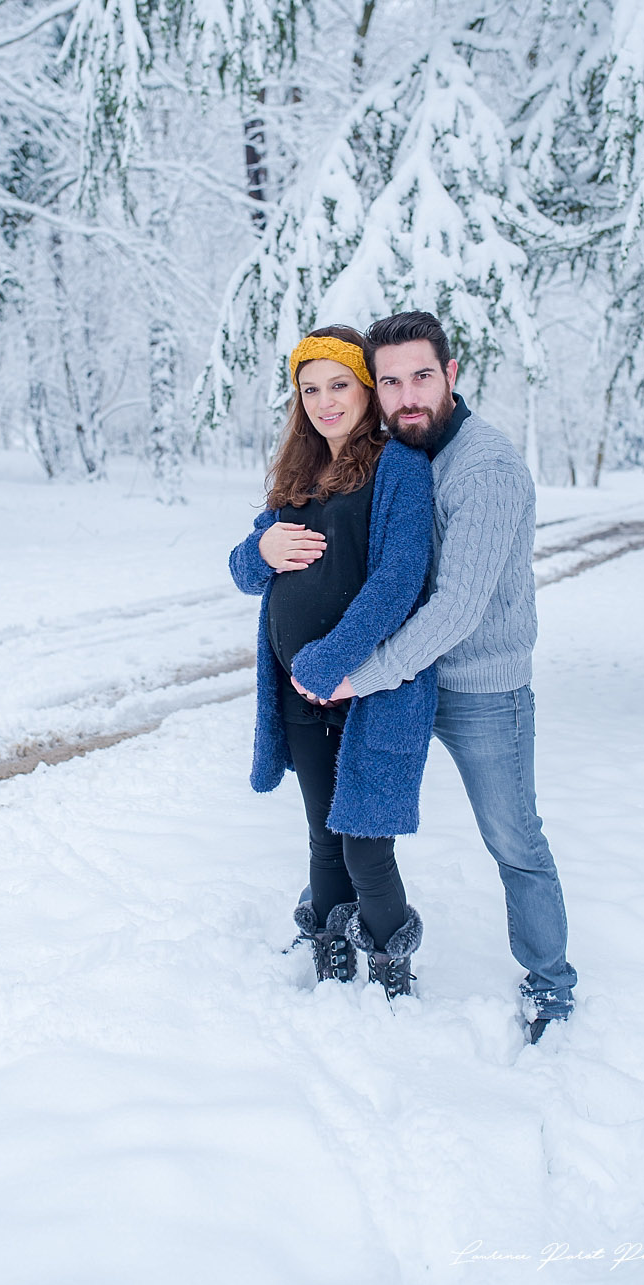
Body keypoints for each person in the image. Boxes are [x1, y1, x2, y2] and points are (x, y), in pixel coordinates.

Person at [299, 310, 578, 1042]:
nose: (405, 394)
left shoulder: (483, 465)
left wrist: (362, 672)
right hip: (407, 680)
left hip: (480, 689)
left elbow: (456, 606)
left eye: (421, 376)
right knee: (349, 808)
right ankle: (333, 924)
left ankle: (550, 983)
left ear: (451, 374)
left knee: (515, 839)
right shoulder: (405, 451)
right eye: (389, 381)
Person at [228, 325, 437, 996]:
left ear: (366, 387)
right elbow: (243, 568)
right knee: (323, 835)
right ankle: (328, 944)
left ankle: (389, 962)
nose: (324, 401)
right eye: (309, 388)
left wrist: (331, 658)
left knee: (365, 844)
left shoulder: (397, 467)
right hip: (296, 696)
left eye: (338, 384)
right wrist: (259, 554)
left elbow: (399, 579)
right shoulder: (297, 475)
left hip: (367, 691)